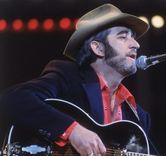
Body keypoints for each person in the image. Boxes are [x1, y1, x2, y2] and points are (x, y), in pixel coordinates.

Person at [0, 3, 157, 156]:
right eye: (123, 37)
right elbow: (11, 100)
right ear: (98, 48)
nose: (136, 44)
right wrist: (72, 130)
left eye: (134, 38)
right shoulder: (68, 77)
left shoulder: (139, 116)